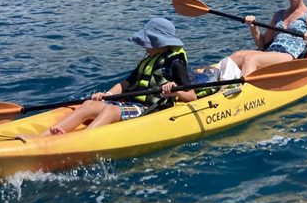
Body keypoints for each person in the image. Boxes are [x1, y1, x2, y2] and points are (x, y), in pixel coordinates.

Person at [25, 17, 195, 138]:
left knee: (110, 110)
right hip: (132, 103)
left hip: (152, 108)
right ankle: (43, 137)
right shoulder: (149, 59)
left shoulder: (175, 63)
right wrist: (107, 95)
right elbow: (127, 83)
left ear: (162, 43)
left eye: (149, 42)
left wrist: (175, 92)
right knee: (90, 104)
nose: (145, 46)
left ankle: (82, 140)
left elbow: (191, 95)